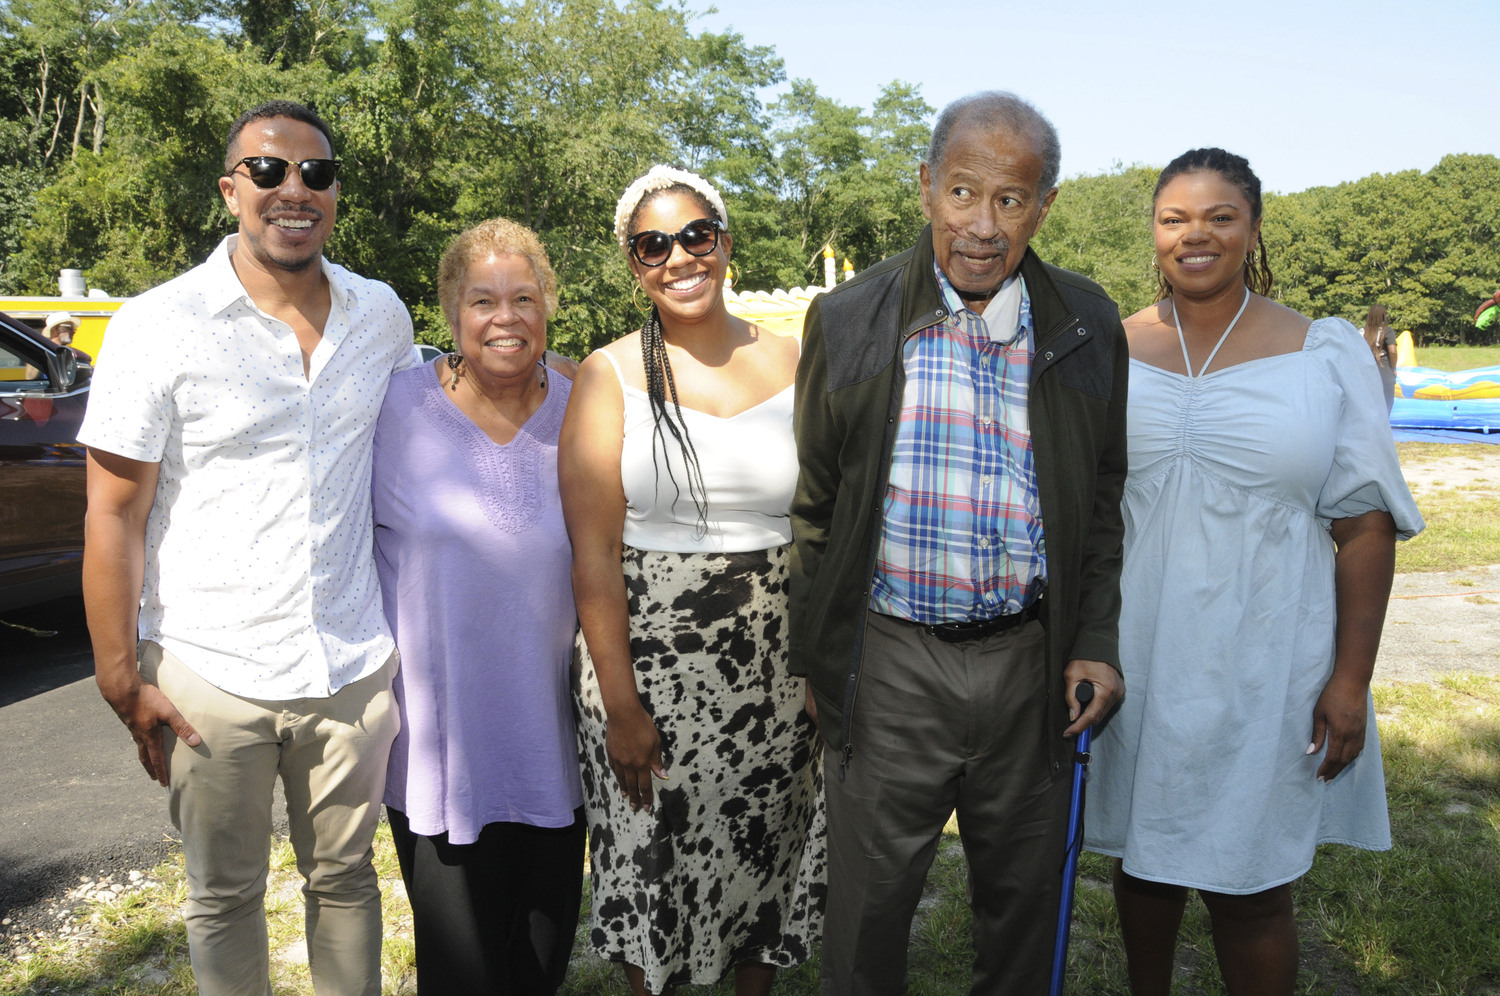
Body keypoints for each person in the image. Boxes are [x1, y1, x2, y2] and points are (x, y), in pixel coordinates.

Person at [789, 90, 1127, 995]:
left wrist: (1092, 638)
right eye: (964, 193)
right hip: (892, 663)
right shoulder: (849, 319)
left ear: (1044, 206)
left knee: (1023, 911)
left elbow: (1100, 501)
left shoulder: (1088, 324)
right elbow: (816, 509)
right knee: (865, 917)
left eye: (1011, 200)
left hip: (1030, 664)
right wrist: (825, 663)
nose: (983, 225)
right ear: (927, 187)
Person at [80, 100, 412, 996]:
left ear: (337, 193)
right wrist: (120, 673)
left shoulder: (381, 314)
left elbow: (438, 428)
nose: (292, 189)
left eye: (315, 172)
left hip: (348, 663)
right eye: (268, 171)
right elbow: (111, 513)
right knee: (223, 896)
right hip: (208, 669)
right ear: (231, 190)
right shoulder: (157, 324)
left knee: (345, 883)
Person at [1084, 148, 1424, 996]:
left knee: (1256, 891)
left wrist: (1350, 680)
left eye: (1219, 216)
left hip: (1272, 656)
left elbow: (1366, 525)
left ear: (1252, 229)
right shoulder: (1107, 347)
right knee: (1143, 870)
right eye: (1175, 218)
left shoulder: (1323, 351)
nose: (1195, 234)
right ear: (1155, 234)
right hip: (1139, 655)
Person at [561, 164, 825, 996]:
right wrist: (621, 702)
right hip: (647, 668)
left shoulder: (795, 359)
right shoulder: (609, 375)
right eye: (652, 245)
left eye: (694, 236)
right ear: (634, 266)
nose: (677, 257)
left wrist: (820, 663)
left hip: (778, 670)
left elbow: (828, 522)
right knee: (652, 871)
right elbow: (594, 553)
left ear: (724, 244)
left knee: (760, 862)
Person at [373, 217, 585, 995]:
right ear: (450, 314)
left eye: (523, 297)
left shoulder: (586, 405)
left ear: (549, 304)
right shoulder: (391, 410)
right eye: (482, 300)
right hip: (439, 749)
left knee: (541, 956)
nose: (505, 318)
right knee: (462, 971)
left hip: (553, 739)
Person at [1363, 303, 1399, 411]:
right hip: (1384, 372)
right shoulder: (1387, 331)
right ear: (1383, 317)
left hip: (1366, 373)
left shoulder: (1362, 331)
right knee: (1386, 406)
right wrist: (1393, 368)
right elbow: (1392, 351)